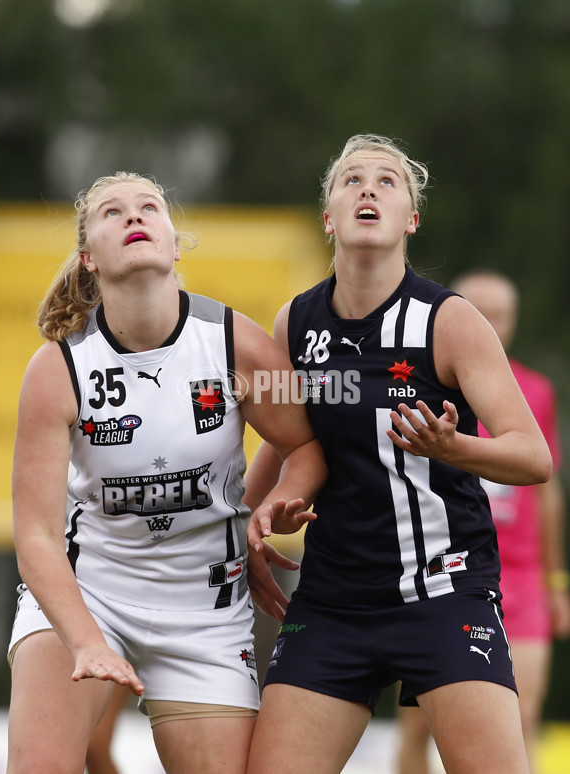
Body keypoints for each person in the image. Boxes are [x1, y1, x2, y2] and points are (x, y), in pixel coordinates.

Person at [243, 133, 553, 774]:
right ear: (328, 215)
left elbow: (534, 458)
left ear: (411, 218)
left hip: (444, 590)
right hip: (331, 599)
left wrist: (455, 446)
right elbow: (284, 443)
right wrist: (243, 524)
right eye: (352, 180)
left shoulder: (451, 321)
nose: (368, 189)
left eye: (387, 182)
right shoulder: (294, 324)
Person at [6, 171, 327, 774]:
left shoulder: (238, 344)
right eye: (111, 213)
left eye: (149, 207)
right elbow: (37, 538)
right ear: (88, 258)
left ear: (175, 244)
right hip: (90, 592)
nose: (133, 217)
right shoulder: (57, 369)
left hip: (204, 605)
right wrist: (85, 642)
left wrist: (272, 507)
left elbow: (306, 443)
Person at [397, 270, 570, 774]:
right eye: (479, 312)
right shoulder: (419, 380)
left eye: (500, 315)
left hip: (519, 577)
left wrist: (556, 580)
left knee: (524, 714)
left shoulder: (535, 390)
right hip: (446, 568)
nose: (489, 325)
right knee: (420, 723)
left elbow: (548, 489)